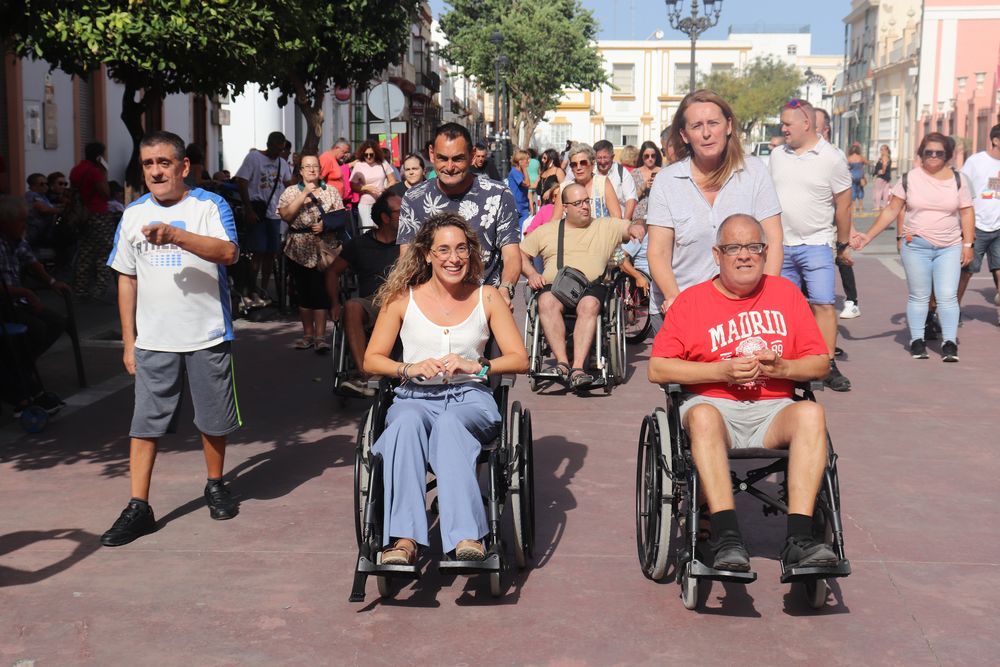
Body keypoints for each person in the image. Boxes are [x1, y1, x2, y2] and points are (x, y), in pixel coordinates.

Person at [648, 213, 838, 573]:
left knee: (812, 413)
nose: (744, 255)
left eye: (753, 246)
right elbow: (657, 368)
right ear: (717, 255)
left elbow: (819, 364)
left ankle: (799, 538)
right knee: (702, 416)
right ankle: (727, 536)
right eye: (734, 247)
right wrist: (720, 370)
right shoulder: (692, 301)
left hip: (773, 410)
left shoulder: (786, 294)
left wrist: (784, 368)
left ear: (765, 253)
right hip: (713, 408)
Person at [362, 212, 528, 565]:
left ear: (471, 253)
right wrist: (407, 367)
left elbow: (519, 359)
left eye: (461, 249)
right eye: (444, 250)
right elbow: (372, 359)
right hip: (415, 397)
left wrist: (479, 365)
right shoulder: (402, 299)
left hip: (470, 399)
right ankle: (404, 539)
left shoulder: (488, 296)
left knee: (451, 425)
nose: (454, 258)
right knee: (404, 424)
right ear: (426, 254)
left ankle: (467, 536)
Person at [102, 130, 241, 547]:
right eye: (148, 164)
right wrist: (129, 340)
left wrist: (177, 235)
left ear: (183, 167)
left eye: (164, 163)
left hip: (206, 333)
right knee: (144, 423)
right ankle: (138, 505)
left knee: (213, 419)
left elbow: (228, 253)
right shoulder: (132, 215)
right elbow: (125, 279)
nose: (156, 171)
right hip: (154, 339)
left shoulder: (209, 205)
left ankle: (215, 483)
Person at [646, 90, 783, 333]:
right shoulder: (667, 181)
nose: (706, 133)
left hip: (744, 308)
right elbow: (658, 251)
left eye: (713, 123)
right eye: (697, 126)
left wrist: (767, 299)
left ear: (728, 125)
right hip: (683, 308)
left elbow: (773, 240)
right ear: (684, 135)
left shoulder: (753, 171)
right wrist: (675, 299)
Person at [855, 133, 974, 361]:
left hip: (949, 246)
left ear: (947, 155)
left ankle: (949, 343)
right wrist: (867, 236)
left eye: (939, 152)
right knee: (919, 296)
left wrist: (968, 244)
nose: (933, 156)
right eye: (928, 152)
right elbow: (891, 210)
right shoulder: (909, 179)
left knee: (947, 296)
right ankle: (917, 340)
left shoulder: (958, 180)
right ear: (920, 154)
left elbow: (967, 211)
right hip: (916, 245)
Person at [519, 182, 645, 389]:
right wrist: (531, 273)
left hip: (591, 288)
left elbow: (631, 224)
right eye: (578, 203)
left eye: (586, 201)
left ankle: (578, 368)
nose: (585, 206)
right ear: (565, 208)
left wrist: (637, 225)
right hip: (557, 286)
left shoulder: (606, 226)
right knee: (546, 300)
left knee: (589, 304)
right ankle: (562, 364)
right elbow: (520, 254)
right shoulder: (547, 230)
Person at [769, 98, 852, 391]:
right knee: (783, 308)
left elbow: (844, 204)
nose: (783, 129)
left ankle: (827, 364)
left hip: (817, 243)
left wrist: (843, 244)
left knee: (824, 303)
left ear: (806, 123)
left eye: (787, 123)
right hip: (780, 245)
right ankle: (790, 363)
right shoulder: (778, 155)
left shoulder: (831, 158)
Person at [398, 123, 521, 306]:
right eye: (442, 158)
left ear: (471, 155)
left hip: (483, 304)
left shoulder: (499, 195)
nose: (449, 167)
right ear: (431, 154)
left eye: (457, 159)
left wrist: (505, 288)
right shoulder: (413, 198)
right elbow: (407, 257)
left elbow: (511, 255)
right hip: (430, 306)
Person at [0, 195, 70, 415]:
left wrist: (51, 282)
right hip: (4, 304)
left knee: (55, 322)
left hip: (16, 301)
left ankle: (23, 368)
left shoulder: (16, 240)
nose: (24, 225)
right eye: (20, 221)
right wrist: (25, 292)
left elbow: (31, 261)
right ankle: (18, 382)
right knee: (34, 330)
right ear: (5, 223)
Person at [329, 190, 401, 396]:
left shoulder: (409, 243)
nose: (406, 214)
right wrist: (334, 304)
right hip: (373, 302)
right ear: (385, 218)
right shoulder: (359, 244)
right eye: (399, 211)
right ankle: (366, 375)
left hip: (405, 300)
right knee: (351, 306)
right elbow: (333, 272)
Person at [277, 152, 345, 353]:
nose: (312, 170)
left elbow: (341, 216)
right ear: (300, 171)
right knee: (304, 292)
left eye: (315, 166)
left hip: (324, 248)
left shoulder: (331, 191)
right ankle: (307, 335)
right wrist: (303, 194)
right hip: (298, 247)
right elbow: (286, 216)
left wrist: (326, 225)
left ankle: (320, 337)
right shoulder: (290, 192)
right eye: (307, 167)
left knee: (321, 292)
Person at [234, 131, 294, 300]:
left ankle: (264, 289)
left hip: (274, 215)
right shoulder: (254, 158)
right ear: (269, 145)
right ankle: (252, 288)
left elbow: (289, 186)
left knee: (271, 253)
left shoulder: (282, 163)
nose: (279, 153)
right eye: (276, 149)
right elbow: (242, 181)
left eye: (281, 150)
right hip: (258, 211)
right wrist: (249, 209)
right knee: (258, 251)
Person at [815, 108, 862, 321]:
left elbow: (844, 198)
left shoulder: (835, 155)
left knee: (841, 257)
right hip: (813, 218)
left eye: (814, 126)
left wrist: (849, 228)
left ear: (825, 129)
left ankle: (852, 300)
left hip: (833, 217)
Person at [958, 123, 1000, 313]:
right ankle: (952, 309)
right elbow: (960, 189)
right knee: (966, 273)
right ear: (995, 140)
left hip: (999, 228)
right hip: (976, 228)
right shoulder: (976, 161)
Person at [70, 141, 115, 299]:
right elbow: (105, 193)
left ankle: (80, 288)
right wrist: (103, 173)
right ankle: (100, 289)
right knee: (105, 251)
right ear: (99, 156)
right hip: (98, 213)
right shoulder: (95, 172)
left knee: (85, 252)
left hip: (82, 215)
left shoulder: (76, 170)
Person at [564, 139, 637, 220]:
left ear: (612, 157)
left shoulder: (622, 173)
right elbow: (566, 185)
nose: (602, 161)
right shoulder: (586, 169)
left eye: (605, 157)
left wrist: (624, 223)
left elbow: (630, 199)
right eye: (599, 158)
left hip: (615, 221)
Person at [550, 142, 622, 223]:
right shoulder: (564, 188)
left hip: (600, 233)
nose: (578, 168)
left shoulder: (602, 182)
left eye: (583, 163)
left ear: (592, 164)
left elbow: (617, 217)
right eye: (574, 164)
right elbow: (555, 220)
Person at [350, 140, 398, 230]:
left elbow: (392, 180)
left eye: (371, 154)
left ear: (376, 153)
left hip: (381, 203)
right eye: (366, 155)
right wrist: (365, 188)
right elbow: (352, 185)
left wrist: (385, 189)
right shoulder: (359, 165)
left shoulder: (383, 163)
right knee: (366, 231)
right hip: (366, 204)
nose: (368, 157)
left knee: (383, 230)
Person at [24, 172, 61, 248]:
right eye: (42, 184)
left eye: (46, 184)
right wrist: (61, 210)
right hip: (35, 235)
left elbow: (52, 207)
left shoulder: (43, 197)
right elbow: (43, 209)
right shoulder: (31, 195)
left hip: (44, 233)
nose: (46, 186)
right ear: (33, 186)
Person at [508, 149, 532, 225]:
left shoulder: (521, 173)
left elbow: (528, 188)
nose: (528, 161)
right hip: (516, 206)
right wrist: (524, 168)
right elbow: (527, 184)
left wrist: (530, 205)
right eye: (527, 159)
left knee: (524, 230)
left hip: (524, 206)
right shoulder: (514, 172)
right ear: (520, 161)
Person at [847, 145, 867, 215]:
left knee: (853, 191)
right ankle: (861, 206)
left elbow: (846, 166)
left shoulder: (849, 158)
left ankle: (854, 207)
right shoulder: (860, 158)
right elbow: (867, 163)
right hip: (860, 175)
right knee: (860, 191)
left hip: (852, 176)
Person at [873, 145, 893, 212]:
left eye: (882, 149)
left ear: (886, 150)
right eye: (880, 149)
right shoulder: (888, 157)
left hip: (881, 177)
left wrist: (881, 171)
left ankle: (877, 206)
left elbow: (884, 165)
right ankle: (884, 206)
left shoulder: (884, 157)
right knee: (885, 192)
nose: (881, 151)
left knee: (878, 191)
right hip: (887, 177)